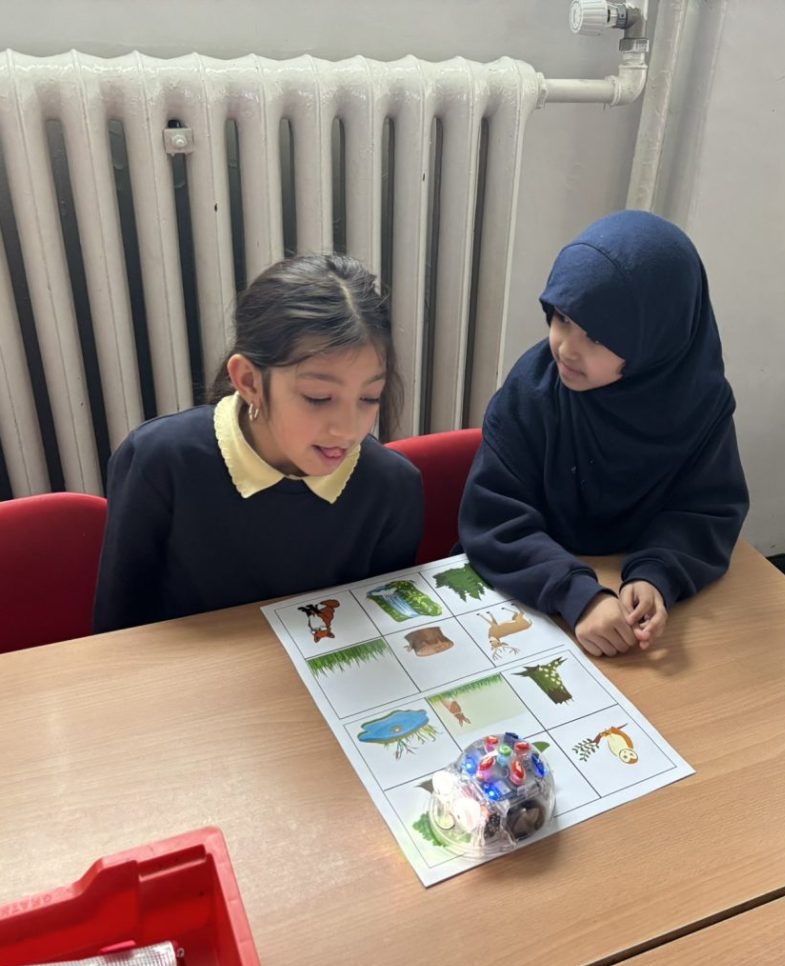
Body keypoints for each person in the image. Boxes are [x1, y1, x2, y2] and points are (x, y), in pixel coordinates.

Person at [457, 210, 749, 658]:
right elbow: (494, 519)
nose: (566, 348)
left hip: (625, 610)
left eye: (596, 336)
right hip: (529, 597)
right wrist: (576, 592)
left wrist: (657, 574)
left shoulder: (699, 404)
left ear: (658, 338)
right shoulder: (533, 391)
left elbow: (707, 511)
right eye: (561, 317)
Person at [93, 253, 423, 632]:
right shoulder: (159, 461)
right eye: (318, 397)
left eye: (369, 397)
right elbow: (116, 630)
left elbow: (381, 626)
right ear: (249, 381)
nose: (348, 430)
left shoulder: (392, 487)